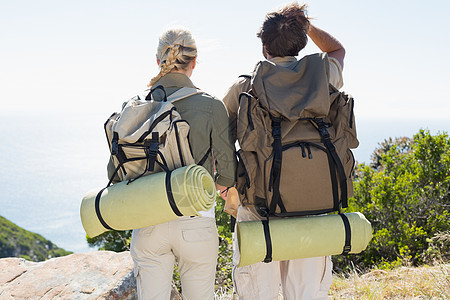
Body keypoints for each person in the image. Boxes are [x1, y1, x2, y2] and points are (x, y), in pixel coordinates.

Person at [223, 3, 346, 299]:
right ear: (302, 42)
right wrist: (307, 25)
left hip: (259, 210)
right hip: (312, 209)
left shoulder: (245, 87)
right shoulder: (324, 76)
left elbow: (222, 139)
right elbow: (337, 50)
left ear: (264, 48)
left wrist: (227, 191)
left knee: (256, 294)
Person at [113, 27, 236, 299]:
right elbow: (228, 174)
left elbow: (115, 172)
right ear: (194, 62)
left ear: (158, 61)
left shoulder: (133, 109)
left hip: (149, 221)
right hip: (195, 221)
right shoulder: (212, 106)